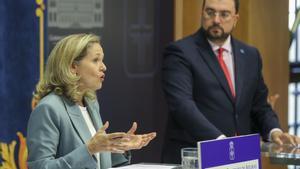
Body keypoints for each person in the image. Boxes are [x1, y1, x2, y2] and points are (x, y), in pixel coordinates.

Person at [161, 0, 300, 163]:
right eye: (210, 12)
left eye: (224, 14)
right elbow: (182, 105)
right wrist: (222, 142)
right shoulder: (180, 52)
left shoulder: (250, 55)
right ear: (202, 13)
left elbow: (260, 106)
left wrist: (274, 132)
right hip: (195, 157)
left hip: (240, 158)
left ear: (236, 18)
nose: (216, 20)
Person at [26, 34, 156, 169]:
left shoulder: (91, 103)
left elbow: (97, 161)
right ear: (73, 67)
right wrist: (89, 149)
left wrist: (120, 146)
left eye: (102, 60)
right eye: (96, 60)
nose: (104, 67)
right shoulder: (49, 108)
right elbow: (40, 167)